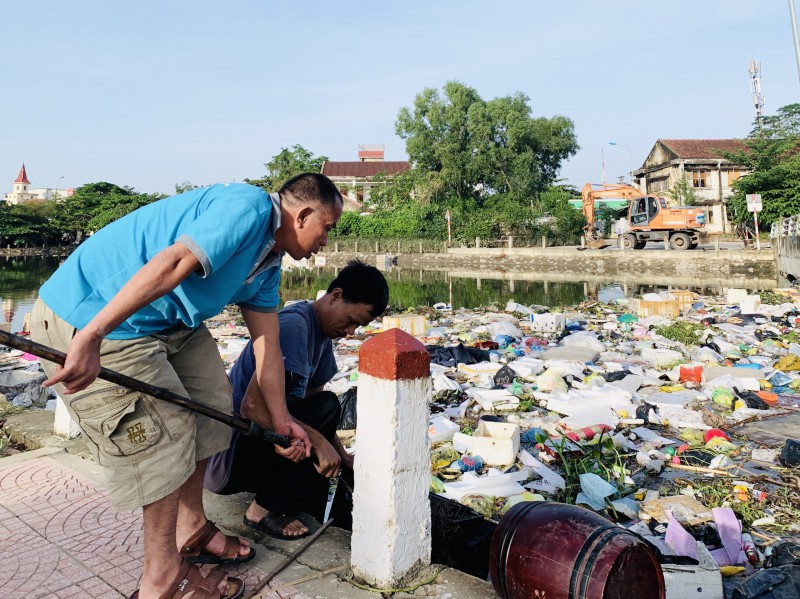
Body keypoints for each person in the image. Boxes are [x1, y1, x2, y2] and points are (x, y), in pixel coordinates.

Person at [29, 173, 343, 599]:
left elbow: (269, 349)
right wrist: (92, 334)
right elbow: (176, 261)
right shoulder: (250, 207)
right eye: (328, 228)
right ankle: (160, 580)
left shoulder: (268, 265)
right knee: (166, 437)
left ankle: (191, 528)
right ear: (303, 214)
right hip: (94, 316)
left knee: (214, 407)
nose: (327, 241)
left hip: (168, 325)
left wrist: (284, 421)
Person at [205, 260, 389, 539]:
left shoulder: (323, 337)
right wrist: (317, 442)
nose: (350, 332)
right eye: (351, 321)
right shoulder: (295, 326)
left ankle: (285, 495)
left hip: (261, 443)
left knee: (326, 409)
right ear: (336, 296)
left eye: (358, 327)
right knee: (326, 411)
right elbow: (251, 407)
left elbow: (317, 408)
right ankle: (262, 510)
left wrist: (340, 455)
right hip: (230, 453)